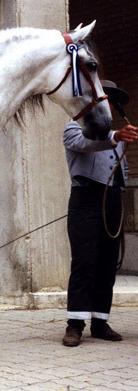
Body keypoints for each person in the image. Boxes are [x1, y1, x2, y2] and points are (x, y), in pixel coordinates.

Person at [62, 80, 138, 347]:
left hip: (113, 200)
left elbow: (121, 170)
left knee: (107, 263)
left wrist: (117, 138)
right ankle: (75, 324)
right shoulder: (73, 127)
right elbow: (85, 144)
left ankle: (100, 322)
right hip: (85, 199)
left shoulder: (117, 136)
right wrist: (115, 137)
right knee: (84, 262)